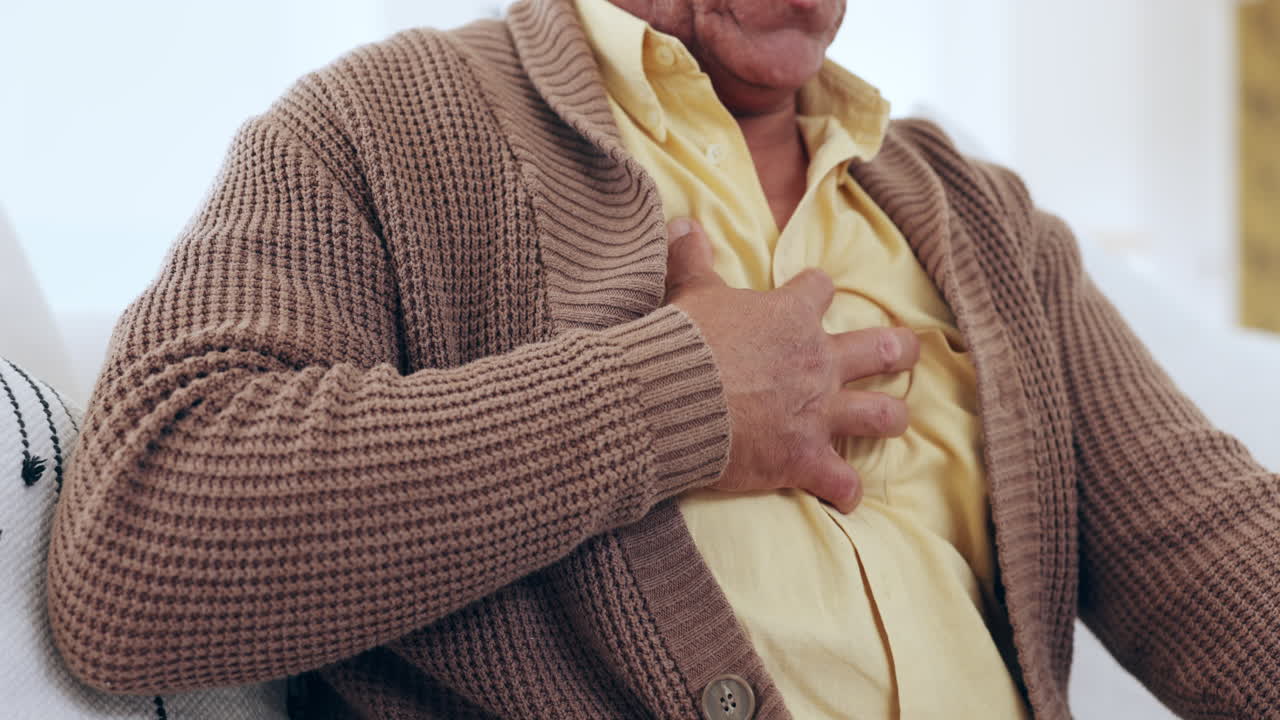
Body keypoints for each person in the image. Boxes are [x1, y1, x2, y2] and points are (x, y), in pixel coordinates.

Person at [46, 0, 1279, 717]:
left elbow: (1215, 560)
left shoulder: (971, 209)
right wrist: (677, 396)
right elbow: (141, 553)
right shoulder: (383, 123)